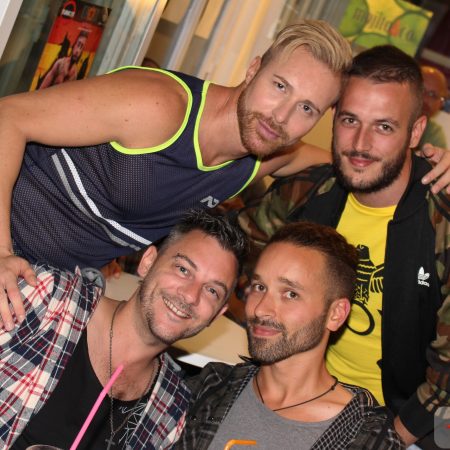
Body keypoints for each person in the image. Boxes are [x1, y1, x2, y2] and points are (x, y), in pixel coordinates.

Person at [0, 20, 354, 330]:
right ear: (253, 69)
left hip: (44, 289)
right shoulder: (159, 106)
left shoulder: (266, 157)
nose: (281, 116)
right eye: (279, 86)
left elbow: (353, 165)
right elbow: (9, 116)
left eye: (306, 108)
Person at [236, 45, 450, 447]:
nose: (360, 144)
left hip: (412, 424)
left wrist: (385, 440)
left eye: (384, 127)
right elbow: (237, 253)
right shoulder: (307, 193)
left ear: (415, 132)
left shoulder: (442, 222)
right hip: (299, 399)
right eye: (350, 120)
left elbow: (447, 379)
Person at [0, 209, 247, 449]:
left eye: (212, 291)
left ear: (218, 314)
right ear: (148, 262)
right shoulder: (47, 300)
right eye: (183, 269)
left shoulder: (170, 412)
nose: (191, 296)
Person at [175, 222, 403, 449]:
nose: (260, 309)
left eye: (290, 294)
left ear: (335, 314)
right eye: (259, 287)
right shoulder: (212, 385)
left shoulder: (368, 438)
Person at [418, 65, 448, 150]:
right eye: (422, 89)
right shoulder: (389, 113)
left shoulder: (434, 133)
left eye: (432, 95)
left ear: (441, 103)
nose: (425, 99)